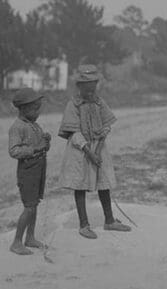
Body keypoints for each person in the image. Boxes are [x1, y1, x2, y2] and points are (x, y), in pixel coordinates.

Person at [58, 64, 131, 239]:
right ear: (79, 86)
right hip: (80, 150)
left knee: (104, 182)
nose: (91, 92)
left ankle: (109, 220)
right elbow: (74, 133)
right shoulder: (73, 105)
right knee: (80, 185)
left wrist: (97, 149)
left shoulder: (99, 102)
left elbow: (106, 126)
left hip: (99, 148)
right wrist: (89, 152)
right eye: (87, 89)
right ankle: (84, 224)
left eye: (93, 88)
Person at [8, 87, 51, 255]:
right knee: (29, 207)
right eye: (35, 109)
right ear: (24, 109)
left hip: (39, 169)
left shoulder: (35, 125)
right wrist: (33, 149)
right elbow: (13, 151)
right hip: (27, 172)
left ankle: (30, 237)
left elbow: (43, 148)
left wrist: (46, 141)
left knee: (35, 204)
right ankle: (17, 242)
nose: (38, 112)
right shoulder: (17, 127)